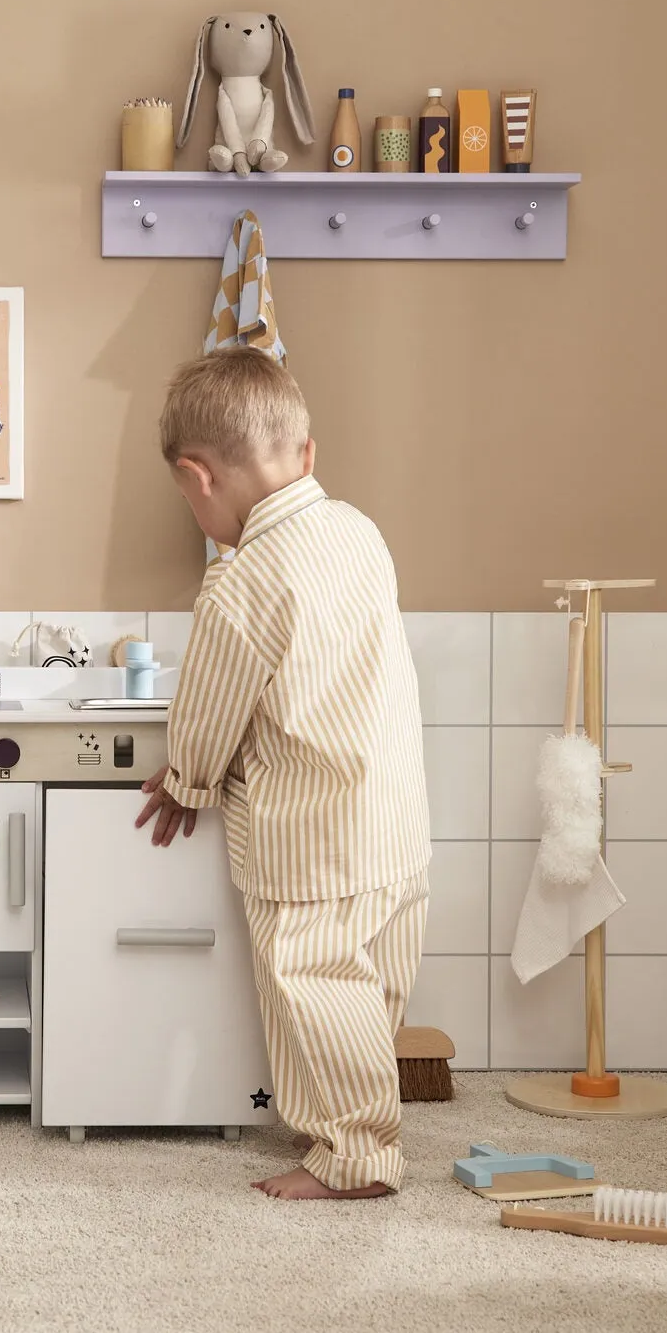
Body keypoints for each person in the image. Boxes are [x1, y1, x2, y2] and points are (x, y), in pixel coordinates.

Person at [136, 346, 430, 1201]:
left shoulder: (242, 582)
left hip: (311, 836)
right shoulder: (358, 532)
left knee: (318, 988)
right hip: (395, 821)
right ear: (307, 454)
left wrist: (187, 781)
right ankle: (358, 1124)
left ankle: (355, 1157)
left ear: (198, 479)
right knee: (371, 988)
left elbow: (211, 709)